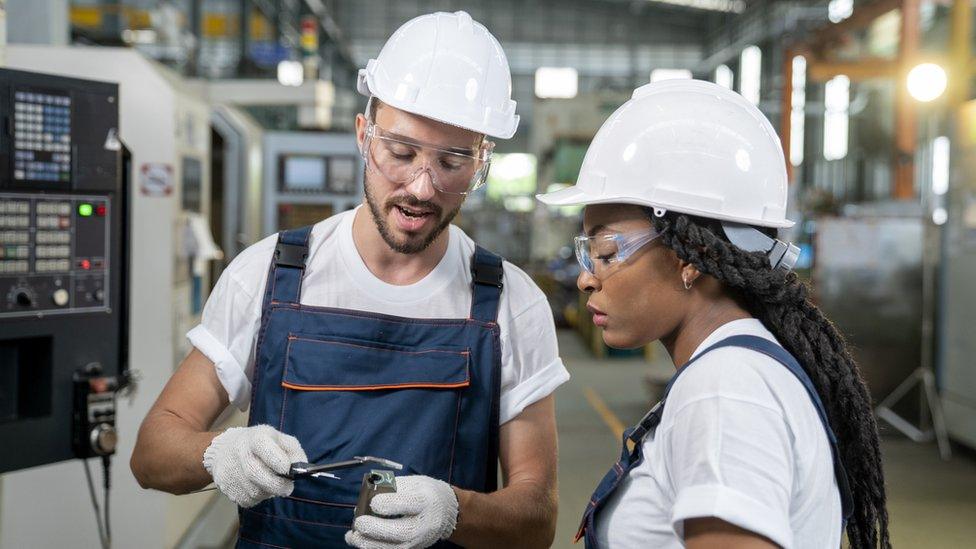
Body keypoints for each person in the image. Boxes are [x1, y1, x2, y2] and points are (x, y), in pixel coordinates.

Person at [131, 11, 568, 549]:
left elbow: (538, 516)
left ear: (482, 161)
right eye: (401, 153)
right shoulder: (269, 276)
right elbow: (151, 453)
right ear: (364, 135)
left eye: (452, 163)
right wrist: (218, 453)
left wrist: (455, 510)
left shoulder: (510, 304)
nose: (422, 188)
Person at [537, 79, 890, 548]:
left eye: (605, 250)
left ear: (690, 257)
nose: (586, 278)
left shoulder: (726, 391)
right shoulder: (739, 370)